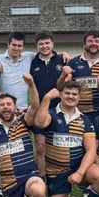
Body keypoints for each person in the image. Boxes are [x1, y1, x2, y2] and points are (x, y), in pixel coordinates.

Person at [34, 82, 99, 197]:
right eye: (67, 93)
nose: (70, 97)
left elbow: (90, 150)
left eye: (74, 94)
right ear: (61, 95)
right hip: (57, 171)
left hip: (78, 168)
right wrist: (47, 98)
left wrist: (80, 172)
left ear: (79, 97)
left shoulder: (85, 120)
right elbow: (39, 122)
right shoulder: (51, 114)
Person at [29, 30, 69, 175]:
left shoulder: (62, 60)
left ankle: (59, 178)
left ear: (52, 44)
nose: (44, 46)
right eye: (41, 44)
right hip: (40, 110)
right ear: (36, 46)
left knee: (58, 147)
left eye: (47, 43)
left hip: (59, 110)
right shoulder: (32, 62)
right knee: (40, 146)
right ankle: (41, 178)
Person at [62, 30, 99, 120]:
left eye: (97, 41)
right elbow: (64, 86)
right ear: (84, 44)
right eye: (90, 41)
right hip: (79, 113)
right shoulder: (73, 62)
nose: (93, 44)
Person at [0, 32, 35, 112]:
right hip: (4, 109)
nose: (16, 48)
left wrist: (63, 54)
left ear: (23, 47)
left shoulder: (29, 57)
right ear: (8, 44)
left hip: (23, 110)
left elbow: (46, 55)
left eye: (19, 46)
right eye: (14, 45)